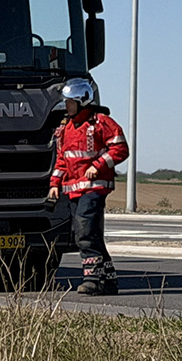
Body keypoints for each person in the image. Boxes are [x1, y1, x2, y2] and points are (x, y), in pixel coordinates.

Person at [47, 78, 130, 295]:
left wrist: (98, 165)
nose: (66, 106)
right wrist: (54, 184)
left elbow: (121, 149)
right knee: (90, 234)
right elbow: (62, 160)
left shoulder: (101, 123)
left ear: (82, 101)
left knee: (84, 232)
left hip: (94, 189)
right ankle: (108, 279)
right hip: (73, 190)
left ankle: (92, 279)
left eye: (70, 102)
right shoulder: (66, 128)